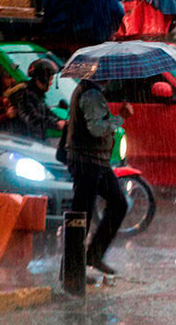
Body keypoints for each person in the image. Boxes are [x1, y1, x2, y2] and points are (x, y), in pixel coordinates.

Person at [65, 77, 133, 275]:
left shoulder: (92, 92)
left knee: (118, 204)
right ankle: (72, 271)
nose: (112, 77)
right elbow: (96, 129)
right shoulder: (91, 94)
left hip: (97, 161)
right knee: (81, 215)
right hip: (87, 161)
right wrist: (120, 118)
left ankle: (93, 255)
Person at [8, 58, 66, 142]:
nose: (51, 83)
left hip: (36, 139)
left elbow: (46, 111)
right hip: (24, 140)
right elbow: (31, 117)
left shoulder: (37, 93)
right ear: (41, 79)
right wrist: (55, 124)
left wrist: (60, 121)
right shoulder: (24, 93)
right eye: (50, 80)